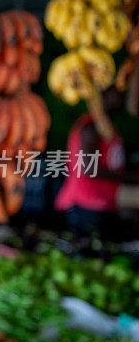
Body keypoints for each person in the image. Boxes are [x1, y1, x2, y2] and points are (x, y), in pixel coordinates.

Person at [54, 86, 139, 237]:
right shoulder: (90, 128)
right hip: (85, 204)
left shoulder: (110, 129)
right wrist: (131, 177)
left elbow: (115, 163)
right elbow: (89, 168)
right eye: (117, 93)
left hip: (106, 202)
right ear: (103, 97)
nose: (122, 96)